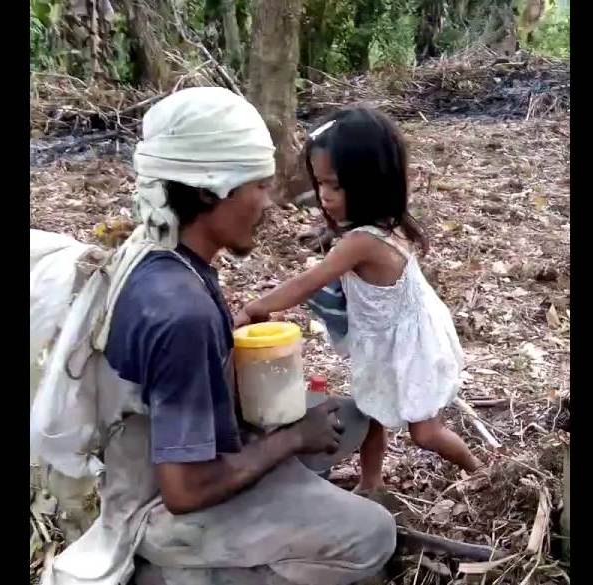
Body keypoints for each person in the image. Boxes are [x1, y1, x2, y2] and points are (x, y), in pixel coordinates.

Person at [34, 88, 395, 585]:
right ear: (209, 189)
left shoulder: (162, 252)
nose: (269, 203)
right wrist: (290, 439)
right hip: (157, 501)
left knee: (347, 416)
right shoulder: (180, 310)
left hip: (181, 448)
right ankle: (168, 571)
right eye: (259, 187)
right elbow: (183, 489)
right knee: (372, 534)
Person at [236, 107, 484, 494]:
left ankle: (479, 469)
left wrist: (257, 307)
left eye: (335, 185)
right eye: (320, 184)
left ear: (371, 182)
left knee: (426, 431)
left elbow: (309, 281)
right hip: (385, 339)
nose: (324, 196)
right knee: (371, 412)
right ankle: (371, 484)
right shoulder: (380, 224)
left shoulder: (363, 241)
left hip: (411, 346)